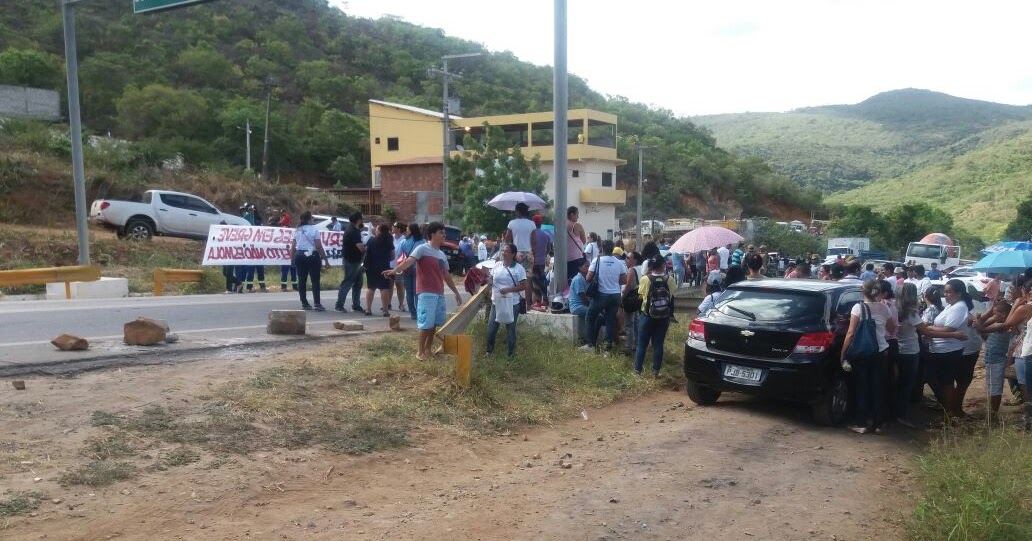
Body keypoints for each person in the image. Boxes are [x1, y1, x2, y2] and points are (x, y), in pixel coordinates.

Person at [384, 222, 463, 361]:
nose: (444, 235)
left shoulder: (441, 255)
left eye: (444, 233)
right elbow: (409, 261)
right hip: (426, 293)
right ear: (432, 234)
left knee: (433, 324)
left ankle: (428, 349)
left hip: (439, 293)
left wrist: (456, 292)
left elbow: (446, 276)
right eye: (441, 233)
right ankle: (419, 352)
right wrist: (395, 271)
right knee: (425, 323)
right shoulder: (422, 249)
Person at [841, 279, 897, 434]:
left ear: (862, 290)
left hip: (863, 353)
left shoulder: (858, 308)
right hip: (880, 352)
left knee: (862, 387)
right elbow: (892, 329)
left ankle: (861, 423)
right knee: (878, 388)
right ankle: (878, 424)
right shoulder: (885, 307)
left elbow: (851, 333)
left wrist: (843, 353)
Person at [920, 279, 972, 418]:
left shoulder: (959, 307)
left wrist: (929, 328)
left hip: (948, 350)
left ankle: (949, 412)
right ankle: (948, 410)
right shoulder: (951, 305)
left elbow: (949, 328)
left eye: (949, 292)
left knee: (945, 382)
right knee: (940, 381)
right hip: (940, 348)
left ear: (959, 293)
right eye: (945, 292)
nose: (946, 295)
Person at [580, 240, 627, 353]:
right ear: (613, 249)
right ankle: (607, 348)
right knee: (610, 320)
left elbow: (588, 278)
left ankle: (590, 344)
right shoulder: (619, 262)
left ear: (601, 249)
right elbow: (623, 280)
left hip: (601, 295)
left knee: (590, 317)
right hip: (615, 295)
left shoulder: (597, 260)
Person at [634, 254, 675, 376]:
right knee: (658, 344)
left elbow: (641, 296)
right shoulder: (670, 279)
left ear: (651, 266)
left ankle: (637, 371)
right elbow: (672, 295)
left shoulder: (645, 279)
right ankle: (655, 371)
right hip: (663, 317)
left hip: (647, 316)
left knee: (642, 344)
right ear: (663, 265)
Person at [485, 243, 526, 357]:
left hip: (512, 303)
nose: (503, 253)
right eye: (503, 251)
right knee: (491, 328)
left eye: (506, 251)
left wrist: (509, 289)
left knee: (510, 329)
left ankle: (511, 354)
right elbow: (491, 278)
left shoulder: (519, 269)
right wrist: (489, 281)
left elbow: (523, 286)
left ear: (513, 254)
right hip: (496, 302)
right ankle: (489, 352)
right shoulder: (497, 265)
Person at [975, 300, 1014, 418]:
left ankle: (993, 414)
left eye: (995, 313)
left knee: (995, 388)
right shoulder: (1001, 323)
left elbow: (980, 328)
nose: (993, 316)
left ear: (1003, 314)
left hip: (997, 360)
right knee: (992, 386)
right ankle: (992, 412)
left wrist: (979, 317)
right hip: (993, 358)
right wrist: (991, 313)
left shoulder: (1003, 325)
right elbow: (982, 330)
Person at [894, 283, 923, 427]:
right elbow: (925, 330)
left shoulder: (893, 309)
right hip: (910, 351)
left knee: (897, 383)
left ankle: (893, 412)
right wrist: (954, 334)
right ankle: (901, 414)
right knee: (906, 384)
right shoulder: (912, 313)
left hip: (896, 349)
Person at [288, 211, 329, 311]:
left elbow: (292, 247)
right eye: (312, 218)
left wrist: (291, 259)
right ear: (309, 219)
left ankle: (304, 303)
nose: (313, 219)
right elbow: (319, 246)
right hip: (313, 256)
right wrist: (325, 259)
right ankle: (317, 304)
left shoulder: (297, 230)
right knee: (315, 280)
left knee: (301, 280)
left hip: (299, 255)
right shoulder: (314, 230)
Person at [504, 202, 537, 303]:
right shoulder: (531, 224)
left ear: (518, 211)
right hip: (528, 253)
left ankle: (515, 301)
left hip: (515, 253)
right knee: (527, 280)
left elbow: (507, 239)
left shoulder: (512, 223)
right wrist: (532, 253)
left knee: (513, 278)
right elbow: (534, 241)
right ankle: (527, 304)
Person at [334, 212, 366, 313]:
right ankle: (339, 305)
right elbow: (361, 248)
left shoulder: (353, 229)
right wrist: (368, 247)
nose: (362, 221)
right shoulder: (353, 231)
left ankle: (356, 305)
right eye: (361, 219)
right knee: (348, 282)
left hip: (355, 260)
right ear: (358, 220)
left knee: (358, 283)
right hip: (351, 261)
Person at [363, 224, 395, 317]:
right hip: (384, 267)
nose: (375, 230)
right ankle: (385, 310)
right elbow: (393, 255)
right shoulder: (389, 241)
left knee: (370, 288)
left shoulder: (372, 240)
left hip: (371, 267)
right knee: (384, 288)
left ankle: (368, 309)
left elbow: (366, 250)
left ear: (380, 230)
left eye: (377, 229)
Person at [397, 223, 426, 321]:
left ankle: (413, 313)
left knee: (409, 292)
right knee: (417, 292)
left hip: (407, 268)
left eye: (408, 229)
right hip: (419, 268)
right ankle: (418, 312)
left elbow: (399, 255)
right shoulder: (422, 242)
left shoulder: (404, 242)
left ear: (411, 231)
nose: (407, 231)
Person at [530, 215, 553, 309]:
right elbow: (548, 249)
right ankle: (544, 300)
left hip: (533, 261)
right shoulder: (546, 234)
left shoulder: (531, 234)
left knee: (535, 282)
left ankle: (540, 302)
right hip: (541, 261)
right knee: (541, 280)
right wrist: (543, 255)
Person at [621, 251, 642, 356]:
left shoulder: (631, 270)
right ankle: (637, 345)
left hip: (630, 299)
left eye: (629, 258)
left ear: (635, 260)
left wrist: (622, 297)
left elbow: (628, 286)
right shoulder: (641, 268)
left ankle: (628, 347)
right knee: (636, 322)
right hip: (637, 298)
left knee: (629, 324)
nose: (626, 260)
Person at [568, 259, 591, 344]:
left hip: (583, 305)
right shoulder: (578, 279)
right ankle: (589, 340)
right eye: (586, 266)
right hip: (577, 306)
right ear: (580, 268)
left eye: (589, 266)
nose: (588, 268)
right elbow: (583, 297)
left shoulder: (587, 278)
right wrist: (593, 306)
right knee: (594, 314)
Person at [565, 206, 587, 286]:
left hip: (565, 259)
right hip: (576, 258)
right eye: (577, 214)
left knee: (567, 280)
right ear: (572, 214)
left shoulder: (561, 224)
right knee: (576, 281)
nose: (578, 216)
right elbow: (584, 240)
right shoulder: (577, 226)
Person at [390, 222, 407, 313]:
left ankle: (401, 304)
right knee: (389, 285)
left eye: (394, 226)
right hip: (390, 265)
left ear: (399, 229)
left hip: (399, 266)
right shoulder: (391, 237)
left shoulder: (403, 239)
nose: (392, 228)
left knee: (399, 285)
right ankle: (388, 303)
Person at [278, 211, 297, 291]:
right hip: (288, 256)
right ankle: (293, 287)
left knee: (288, 271)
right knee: (292, 271)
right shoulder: (292, 232)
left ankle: (284, 287)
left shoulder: (281, 232)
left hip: (288, 256)